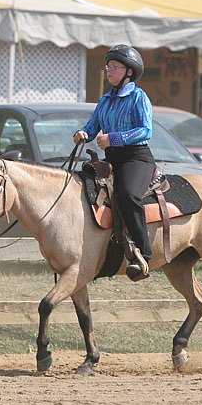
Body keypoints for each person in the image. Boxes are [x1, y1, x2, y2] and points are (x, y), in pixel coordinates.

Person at [74, 44, 155, 281]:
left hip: (136, 158)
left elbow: (145, 131)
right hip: (112, 159)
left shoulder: (139, 97)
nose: (109, 70)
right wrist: (82, 134)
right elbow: (92, 127)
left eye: (115, 67)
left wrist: (114, 138)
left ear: (129, 72)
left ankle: (143, 253)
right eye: (108, 66)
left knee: (128, 194)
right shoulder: (105, 100)